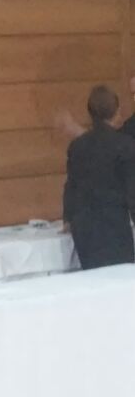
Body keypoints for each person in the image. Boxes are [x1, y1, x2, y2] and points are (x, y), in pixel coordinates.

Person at [63, 85, 135, 269]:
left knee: (93, 279)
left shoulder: (76, 146)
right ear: (117, 112)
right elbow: (132, 190)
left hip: (84, 230)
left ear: (90, 113)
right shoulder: (125, 146)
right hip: (114, 227)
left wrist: (67, 218)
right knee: (121, 278)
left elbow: (71, 186)